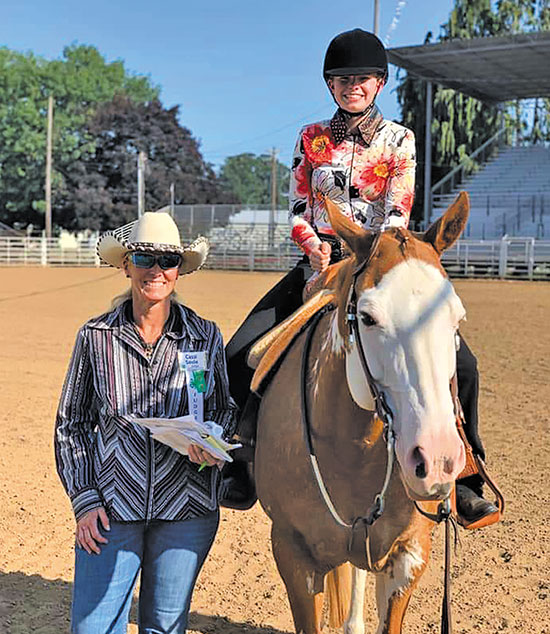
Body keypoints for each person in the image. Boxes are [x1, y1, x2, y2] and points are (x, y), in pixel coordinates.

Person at [225, 28, 497, 525]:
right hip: (320, 260)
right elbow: (299, 207)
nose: (353, 85)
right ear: (331, 85)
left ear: (379, 83)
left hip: (381, 267)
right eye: (343, 78)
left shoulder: (400, 140)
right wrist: (316, 254)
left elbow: (398, 211)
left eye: (363, 78)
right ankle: (241, 462)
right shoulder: (311, 138)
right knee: (240, 352)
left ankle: (466, 474)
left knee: (467, 364)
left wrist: (370, 260)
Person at [54, 211, 237, 634]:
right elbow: (72, 423)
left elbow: (224, 408)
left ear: (179, 270)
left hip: (187, 507)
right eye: (143, 259)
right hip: (111, 509)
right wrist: (84, 500)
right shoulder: (96, 336)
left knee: (164, 628)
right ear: (126, 266)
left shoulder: (204, 335)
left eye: (167, 261)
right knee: (94, 628)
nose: (156, 270)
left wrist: (213, 443)